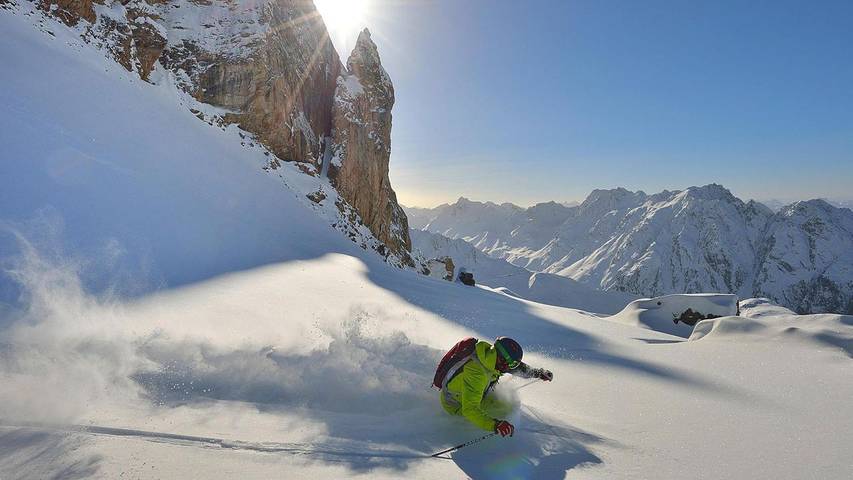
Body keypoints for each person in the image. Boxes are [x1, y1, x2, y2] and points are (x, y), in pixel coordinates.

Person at [439, 337, 553, 438]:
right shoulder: (476, 373)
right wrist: (495, 425)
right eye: (511, 364)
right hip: (456, 405)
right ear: (501, 358)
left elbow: (515, 368)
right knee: (504, 410)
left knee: (507, 405)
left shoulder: (490, 357)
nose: (510, 367)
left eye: (514, 364)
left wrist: (537, 373)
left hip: (473, 394)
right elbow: (470, 409)